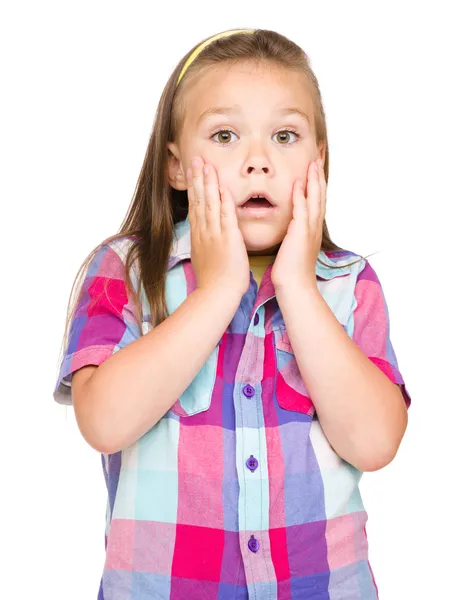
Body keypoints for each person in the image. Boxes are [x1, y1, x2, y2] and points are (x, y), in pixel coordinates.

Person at [53, 27, 411, 600]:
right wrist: (218, 290)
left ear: (318, 161)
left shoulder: (348, 285)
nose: (258, 162)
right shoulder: (126, 270)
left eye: (285, 135)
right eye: (225, 135)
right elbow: (104, 422)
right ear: (175, 166)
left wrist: (297, 284)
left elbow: (374, 442)